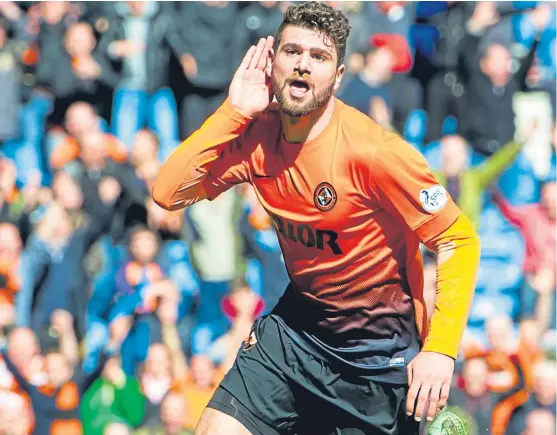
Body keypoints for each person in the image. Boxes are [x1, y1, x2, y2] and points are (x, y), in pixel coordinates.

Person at [153, 3, 481, 434]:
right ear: (272, 63)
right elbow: (167, 193)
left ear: (338, 76)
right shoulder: (255, 135)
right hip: (295, 337)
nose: (303, 65)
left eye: (319, 57)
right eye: (292, 52)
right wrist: (233, 112)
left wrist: (440, 350)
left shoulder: (375, 152)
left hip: (376, 363)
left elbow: (458, 238)